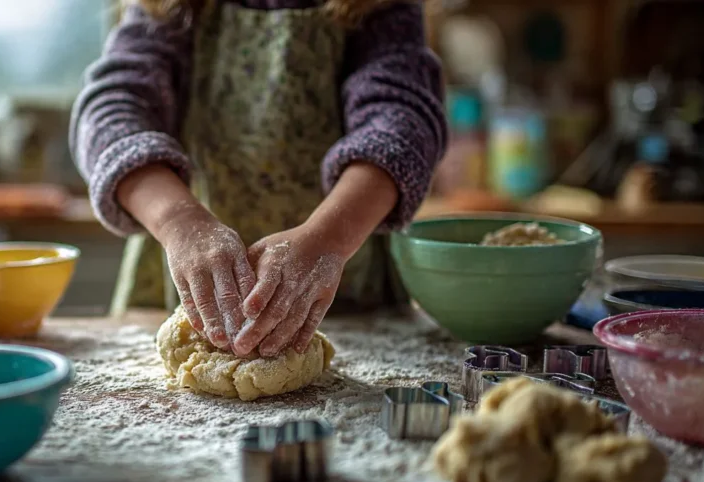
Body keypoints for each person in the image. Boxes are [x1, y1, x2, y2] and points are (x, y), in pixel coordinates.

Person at [71, 0, 447, 358]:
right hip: (185, 290)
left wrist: (331, 235)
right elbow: (111, 111)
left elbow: (402, 121)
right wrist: (177, 220)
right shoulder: (171, 5)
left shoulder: (379, 6)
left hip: (347, 291)